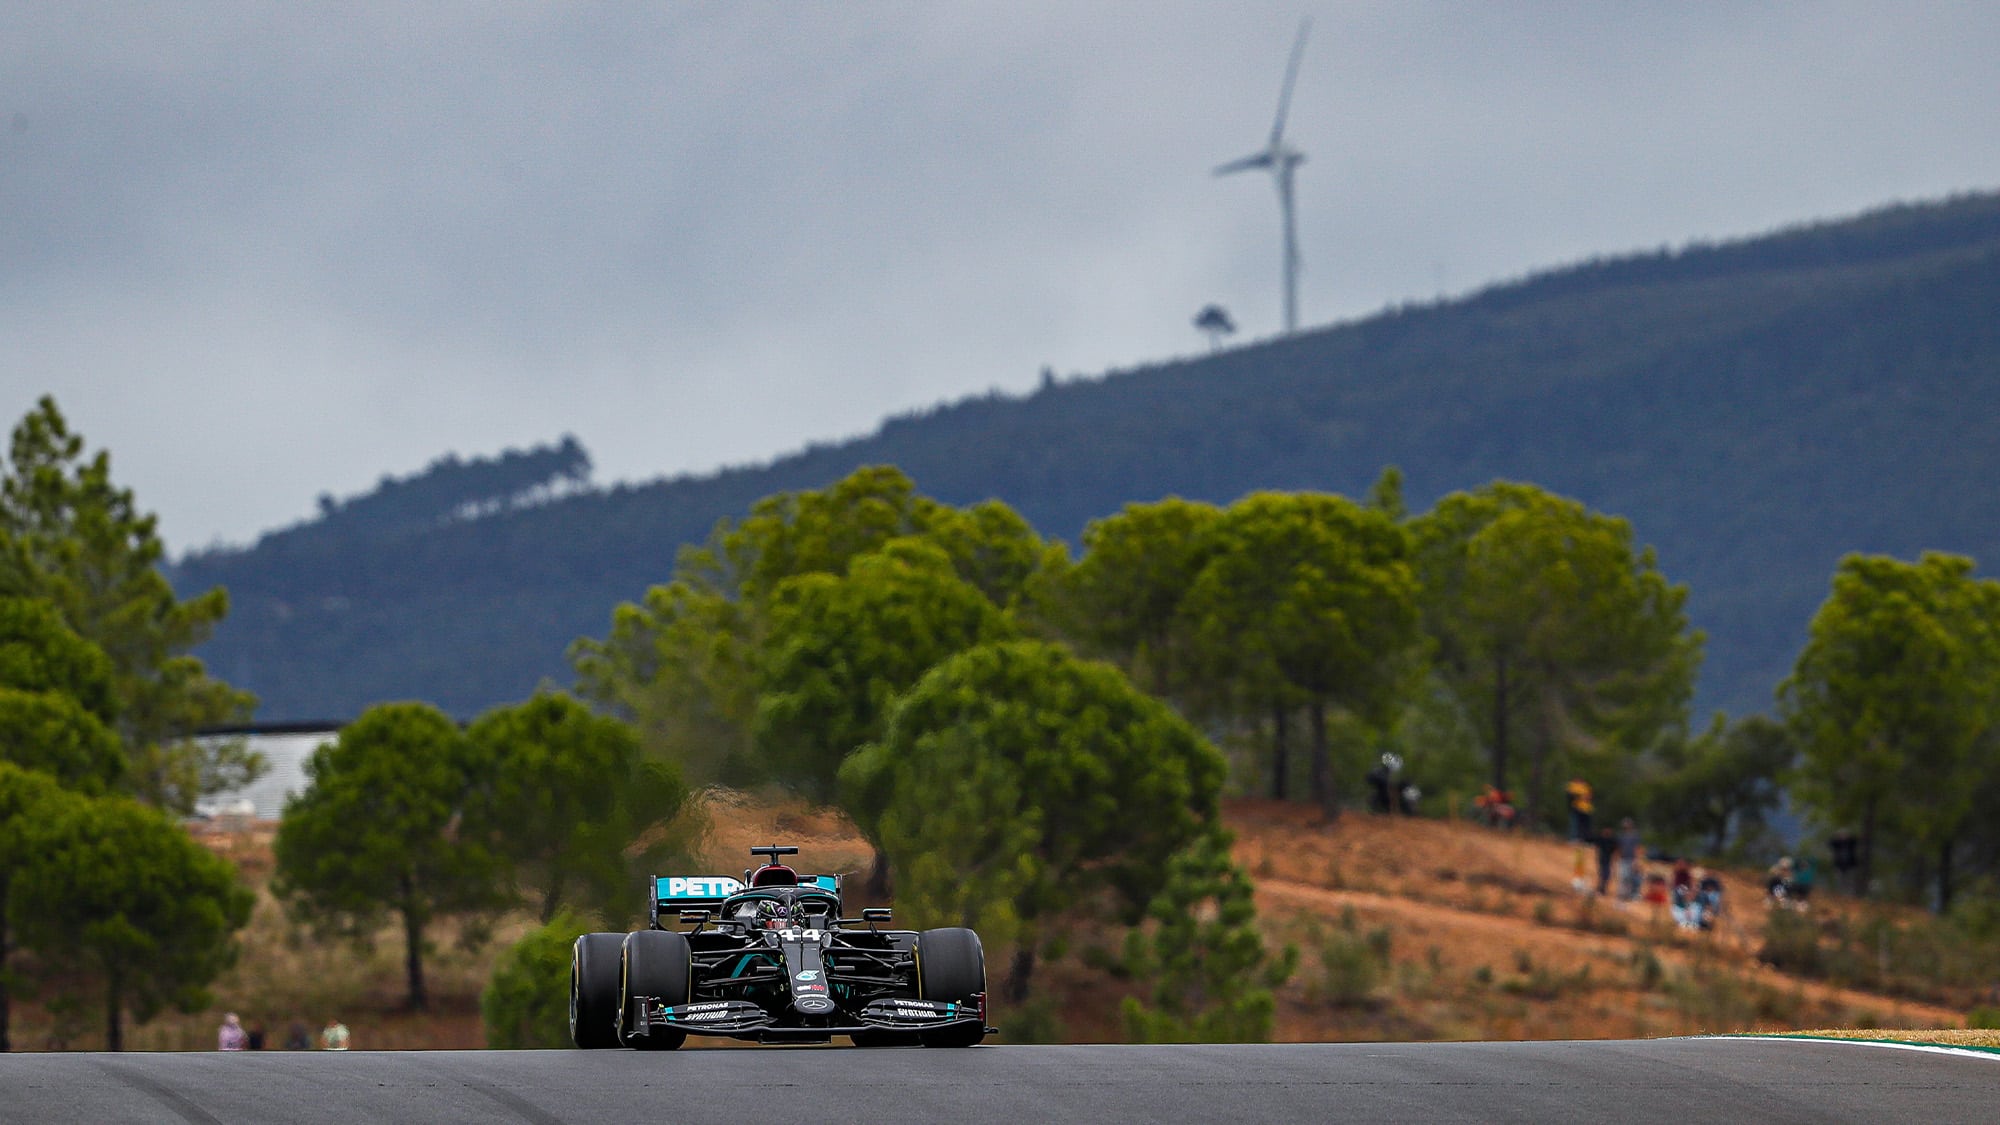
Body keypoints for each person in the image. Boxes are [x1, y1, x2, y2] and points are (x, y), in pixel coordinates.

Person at [1616, 818, 1643, 902]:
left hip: (1631, 859)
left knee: (1631, 877)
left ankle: (1631, 894)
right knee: (1623, 876)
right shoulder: (1621, 836)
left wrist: (1637, 859)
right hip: (1623, 858)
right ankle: (1623, 894)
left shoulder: (1635, 836)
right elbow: (1619, 848)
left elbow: (1637, 848)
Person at [1565, 777, 1594, 842]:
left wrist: (1583, 797)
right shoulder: (1572, 786)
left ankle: (1584, 839)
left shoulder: (1586, 787)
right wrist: (1581, 796)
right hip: (1576, 808)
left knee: (1584, 825)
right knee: (1574, 824)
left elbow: (1589, 797)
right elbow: (1571, 795)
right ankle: (1573, 838)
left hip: (1586, 809)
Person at [1592, 826, 1619, 896]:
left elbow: (1615, 850)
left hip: (1607, 860)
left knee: (1606, 875)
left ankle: (1602, 888)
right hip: (1602, 859)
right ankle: (1601, 888)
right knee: (1603, 874)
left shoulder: (1612, 840)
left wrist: (1615, 859)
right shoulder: (1601, 838)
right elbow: (1597, 847)